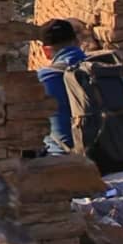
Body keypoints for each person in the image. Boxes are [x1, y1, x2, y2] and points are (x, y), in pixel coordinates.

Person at [33, 20, 90, 155]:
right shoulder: (103, 66)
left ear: (46, 51)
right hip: (121, 156)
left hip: (68, 159)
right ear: (77, 41)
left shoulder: (43, 78)